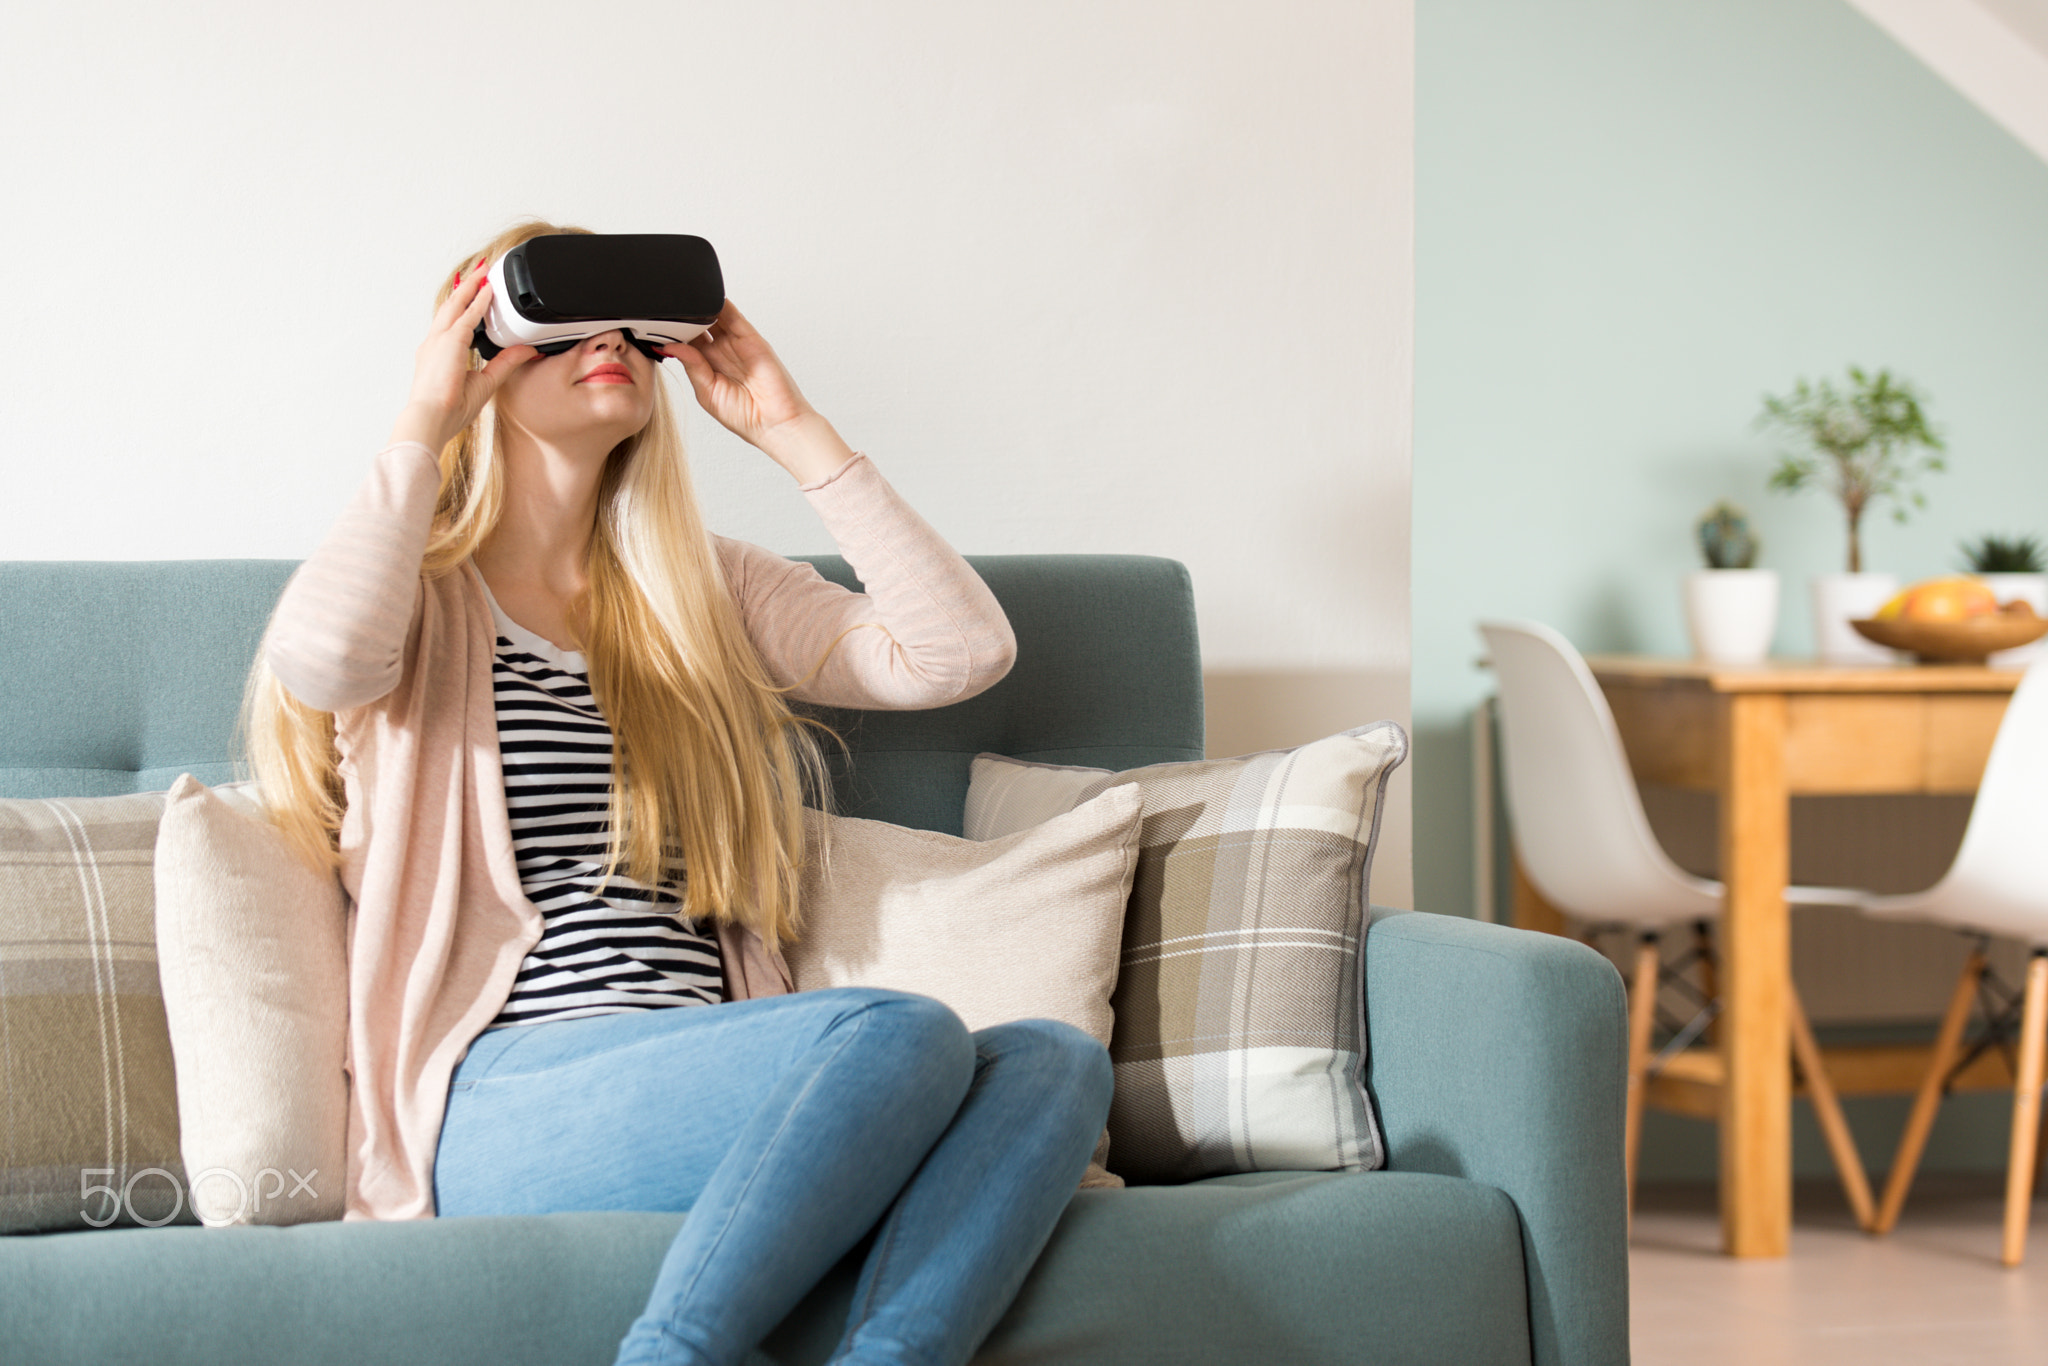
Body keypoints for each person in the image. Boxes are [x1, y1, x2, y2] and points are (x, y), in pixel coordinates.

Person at [247, 220, 1113, 1366]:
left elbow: (952, 654)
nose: (605, 339)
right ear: (485, 344)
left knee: (1056, 1062)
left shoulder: (697, 586)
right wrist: (423, 420)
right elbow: (321, 663)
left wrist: (792, 431)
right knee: (894, 1034)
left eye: (628, 325)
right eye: (562, 317)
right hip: (504, 1092)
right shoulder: (420, 593)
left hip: (717, 1061)